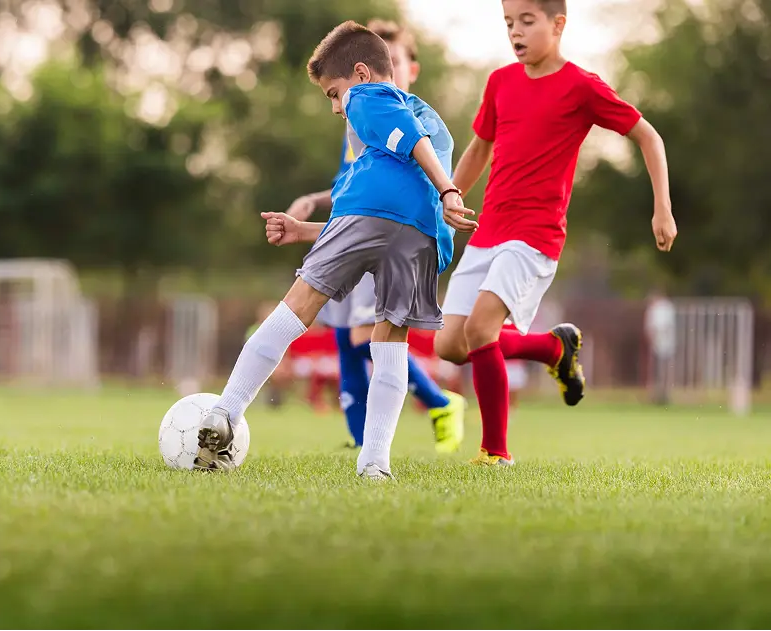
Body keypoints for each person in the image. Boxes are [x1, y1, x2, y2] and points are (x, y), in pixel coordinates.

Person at [195, 20, 475, 479]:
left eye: (332, 93)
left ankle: (224, 413)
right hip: (421, 234)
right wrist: (305, 229)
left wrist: (450, 190)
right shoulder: (433, 118)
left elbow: (400, 154)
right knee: (390, 343)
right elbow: (397, 190)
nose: (335, 107)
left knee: (298, 307)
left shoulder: (370, 96)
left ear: (361, 74)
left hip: (380, 213)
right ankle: (375, 464)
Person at [431, 0, 678, 466]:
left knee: (483, 327)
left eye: (527, 22)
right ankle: (552, 347)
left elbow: (649, 136)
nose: (515, 33)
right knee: (450, 345)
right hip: (489, 230)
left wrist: (662, 208)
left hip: (535, 235)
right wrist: (451, 194)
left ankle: (495, 453)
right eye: (508, 24)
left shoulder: (581, 86)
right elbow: (480, 147)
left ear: (558, 24)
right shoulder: (500, 82)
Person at [285, 20, 468, 454]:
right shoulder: (360, 117)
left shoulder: (413, 120)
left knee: (364, 335)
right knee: (344, 332)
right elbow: (355, 182)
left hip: (391, 232)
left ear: (406, 68)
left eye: (399, 60)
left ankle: (437, 403)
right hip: (358, 221)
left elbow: (411, 177)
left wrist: (448, 193)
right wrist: (314, 201)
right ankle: (360, 438)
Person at [644, 290, 676, 405]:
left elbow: (667, 326)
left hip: (666, 345)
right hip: (655, 345)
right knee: (655, 372)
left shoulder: (666, 307)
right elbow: (650, 328)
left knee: (665, 371)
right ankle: (655, 395)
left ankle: (665, 394)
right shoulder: (652, 309)